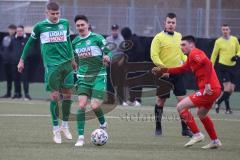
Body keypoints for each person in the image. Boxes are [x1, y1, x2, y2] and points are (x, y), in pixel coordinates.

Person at [17, 2, 77, 144]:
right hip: (51, 66)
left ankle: (65, 126)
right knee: (55, 97)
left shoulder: (65, 23)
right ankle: (55, 129)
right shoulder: (39, 27)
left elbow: (68, 41)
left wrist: (73, 59)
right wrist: (21, 60)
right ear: (46, 13)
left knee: (68, 95)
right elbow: (29, 44)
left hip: (67, 64)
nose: (56, 16)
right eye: (53, 14)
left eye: (58, 13)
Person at [152, 35, 222, 149]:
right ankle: (215, 141)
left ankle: (197, 134)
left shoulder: (195, 53)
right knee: (201, 114)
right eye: (180, 45)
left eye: (184, 45)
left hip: (209, 89)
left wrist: (208, 84)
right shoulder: (190, 58)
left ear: (191, 45)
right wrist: (163, 70)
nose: (181, 47)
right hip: (213, 90)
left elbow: (208, 63)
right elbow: (180, 69)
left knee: (180, 106)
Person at [72, 15, 111, 147]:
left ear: (88, 25)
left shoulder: (97, 38)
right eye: (78, 25)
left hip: (99, 76)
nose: (80, 27)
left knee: (94, 106)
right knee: (82, 106)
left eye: (82, 25)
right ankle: (81, 137)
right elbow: (75, 60)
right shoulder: (75, 42)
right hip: (82, 78)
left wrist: (107, 57)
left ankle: (103, 123)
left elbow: (108, 52)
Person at [150, 13, 192, 136]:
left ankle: (185, 129)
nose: (171, 25)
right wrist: (164, 69)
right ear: (165, 23)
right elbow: (154, 55)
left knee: (183, 102)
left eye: (173, 22)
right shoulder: (158, 38)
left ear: (176, 24)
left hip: (177, 74)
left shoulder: (179, 36)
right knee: (160, 101)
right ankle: (158, 128)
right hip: (164, 75)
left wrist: (188, 61)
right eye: (169, 22)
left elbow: (181, 55)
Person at [211, 24, 240, 114]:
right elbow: (214, 54)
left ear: (229, 30)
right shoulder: (218, 41)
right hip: (223, 66)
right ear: (221, 31)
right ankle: (222, 106)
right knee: (227, 89)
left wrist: (237, 56)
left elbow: (239, 49)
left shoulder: (234, 39)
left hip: (233, 67)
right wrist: (210, 65)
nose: (225, 31)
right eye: (223, 29)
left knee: (231, 89)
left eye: (226, 29)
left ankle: (220, 103)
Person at [121, 27, 145, 106]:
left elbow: (136, 53)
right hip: (136, 65)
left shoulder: (131, 41)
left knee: (135, 83)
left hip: (134, 66)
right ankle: (132, 100)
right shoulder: (135, 39)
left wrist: (129, 59)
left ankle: (137, 100)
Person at [106, 24, 126, 105]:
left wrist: (121, 61)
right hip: (110, 63)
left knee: (119, 82)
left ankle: (121, 99)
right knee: (109, 82)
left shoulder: (121, 39)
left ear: (118, 30)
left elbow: (124, 52)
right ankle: (110, 99)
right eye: (113, 30)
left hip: (117, 64)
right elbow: (105, 51)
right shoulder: (108, 39)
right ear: (111, 30)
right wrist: (106, 61)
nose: (114, 31)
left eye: (116, 30)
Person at [11, 25, 31, 100]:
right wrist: (13, 58)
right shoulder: (13, 39)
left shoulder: (27, 39)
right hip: (14, 63)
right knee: (16, 79)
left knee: (25, 79)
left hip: (25, 63)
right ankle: (17, 94)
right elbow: (10, 50)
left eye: (20, 31)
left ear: (23, 31)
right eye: (18, 31)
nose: (19, 32)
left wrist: (24, 60)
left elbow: (30, 50)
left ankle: (26, 94)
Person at [0, 24, 16, 98]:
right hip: (6, 62)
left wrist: (12, 57)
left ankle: (17, 93)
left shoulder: (16, 38)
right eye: (10, 29)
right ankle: (8, 93)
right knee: (8, 78)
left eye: (13, 29)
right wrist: (3, 55)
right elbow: (2, 49)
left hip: (13, 62)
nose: (11, 31)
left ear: (15, 30)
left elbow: (15, 50)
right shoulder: (5, 38)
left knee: (15, 78)